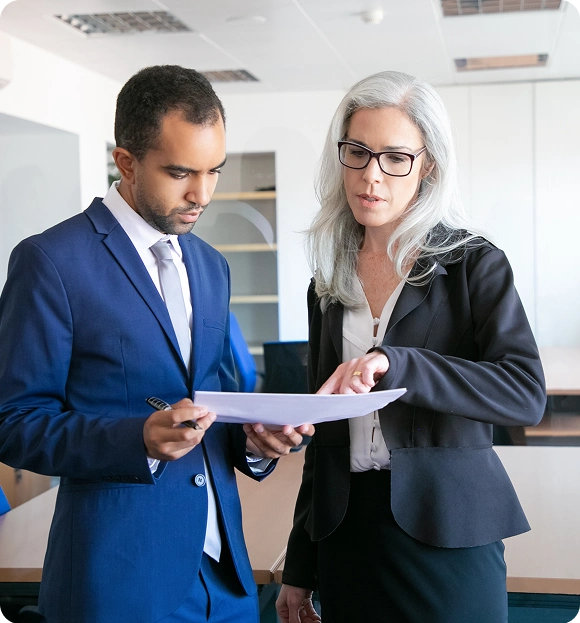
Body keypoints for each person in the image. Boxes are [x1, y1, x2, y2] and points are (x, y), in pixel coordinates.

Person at [0, 65, 313, 623]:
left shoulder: (211, 267)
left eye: (214, 170)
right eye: (180, 172)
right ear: (126, 162)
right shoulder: (51, 261)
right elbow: (15, 421)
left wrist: (255, 443)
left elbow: (213, 403)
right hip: (119, 582)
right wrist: (136, 439)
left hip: (228, 581)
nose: (203, 194)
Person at [276, 70, 546, 623]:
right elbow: (326, 435)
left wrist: (399, 364)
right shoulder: (328, 283)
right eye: (358, 152)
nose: (371, 176)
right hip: (348, 533)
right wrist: (301, 565)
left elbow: (524, 394)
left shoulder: (473, 264)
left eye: (395, 158)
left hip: (448, 531)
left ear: (427, 167)